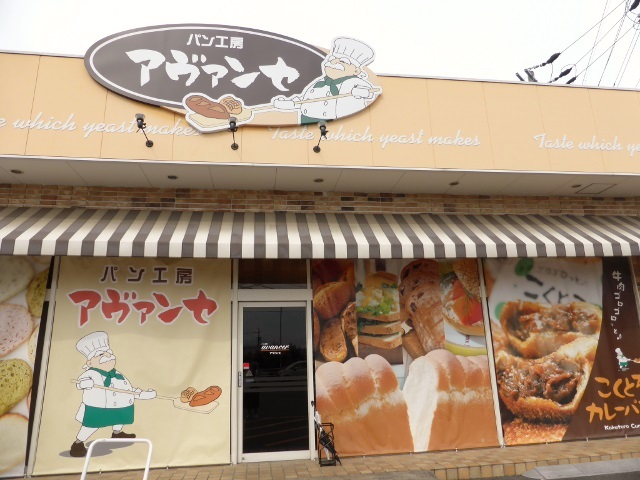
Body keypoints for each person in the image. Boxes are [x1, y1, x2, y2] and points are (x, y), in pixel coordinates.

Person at [70, 331, 156, 458]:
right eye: (101, 354)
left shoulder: (118, 374)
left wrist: (142, 394)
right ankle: (78, 443)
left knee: (120, 418)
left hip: (120, 406)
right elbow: (80, 383)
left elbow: (128, 389)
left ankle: (117, 433)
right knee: (91, 425)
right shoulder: (91, 374)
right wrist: (85, 383)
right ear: (89, 363)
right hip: (99, 407)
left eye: (108, 352)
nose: (107, 356)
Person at [272, 37, 379, 124]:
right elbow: (304, 99)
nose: (334, 63)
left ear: (356, 70)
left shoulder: (354, 82)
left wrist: (363, 92)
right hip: (306, 121)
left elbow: (370, 91)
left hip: (337, 123)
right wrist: (290, 103)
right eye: (332, 59)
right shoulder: (319, 83)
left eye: (342, 61)